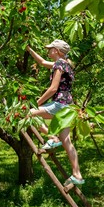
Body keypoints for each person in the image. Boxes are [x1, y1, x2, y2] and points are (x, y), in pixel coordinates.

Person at [26, 39, 84, 186]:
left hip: (60, 104)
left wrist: (37, 102)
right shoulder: (65, 64)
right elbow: (42, 62)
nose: (48, 50)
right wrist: (29, 49)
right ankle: (77, 174)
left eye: (51, 48)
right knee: (67, 142)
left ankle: (52, 137)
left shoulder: (59, 64)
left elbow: (53, 89)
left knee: (27, 114)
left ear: (57, 51)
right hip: (69, 107)